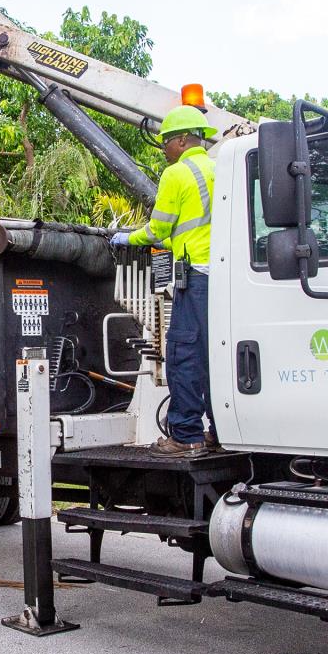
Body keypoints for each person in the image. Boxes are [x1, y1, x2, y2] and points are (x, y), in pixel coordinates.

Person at [110, 104, 217, 455]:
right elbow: (190, 232)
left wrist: (127, 238)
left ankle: (186, 435)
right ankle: (218, 430)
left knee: (184, 354)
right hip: (222, 279)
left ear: (183, 140)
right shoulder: (219, 169)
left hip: (197, 277)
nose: (164, 150)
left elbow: (158, 230)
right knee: (215, 357)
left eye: (166, 142)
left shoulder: (178, 174)